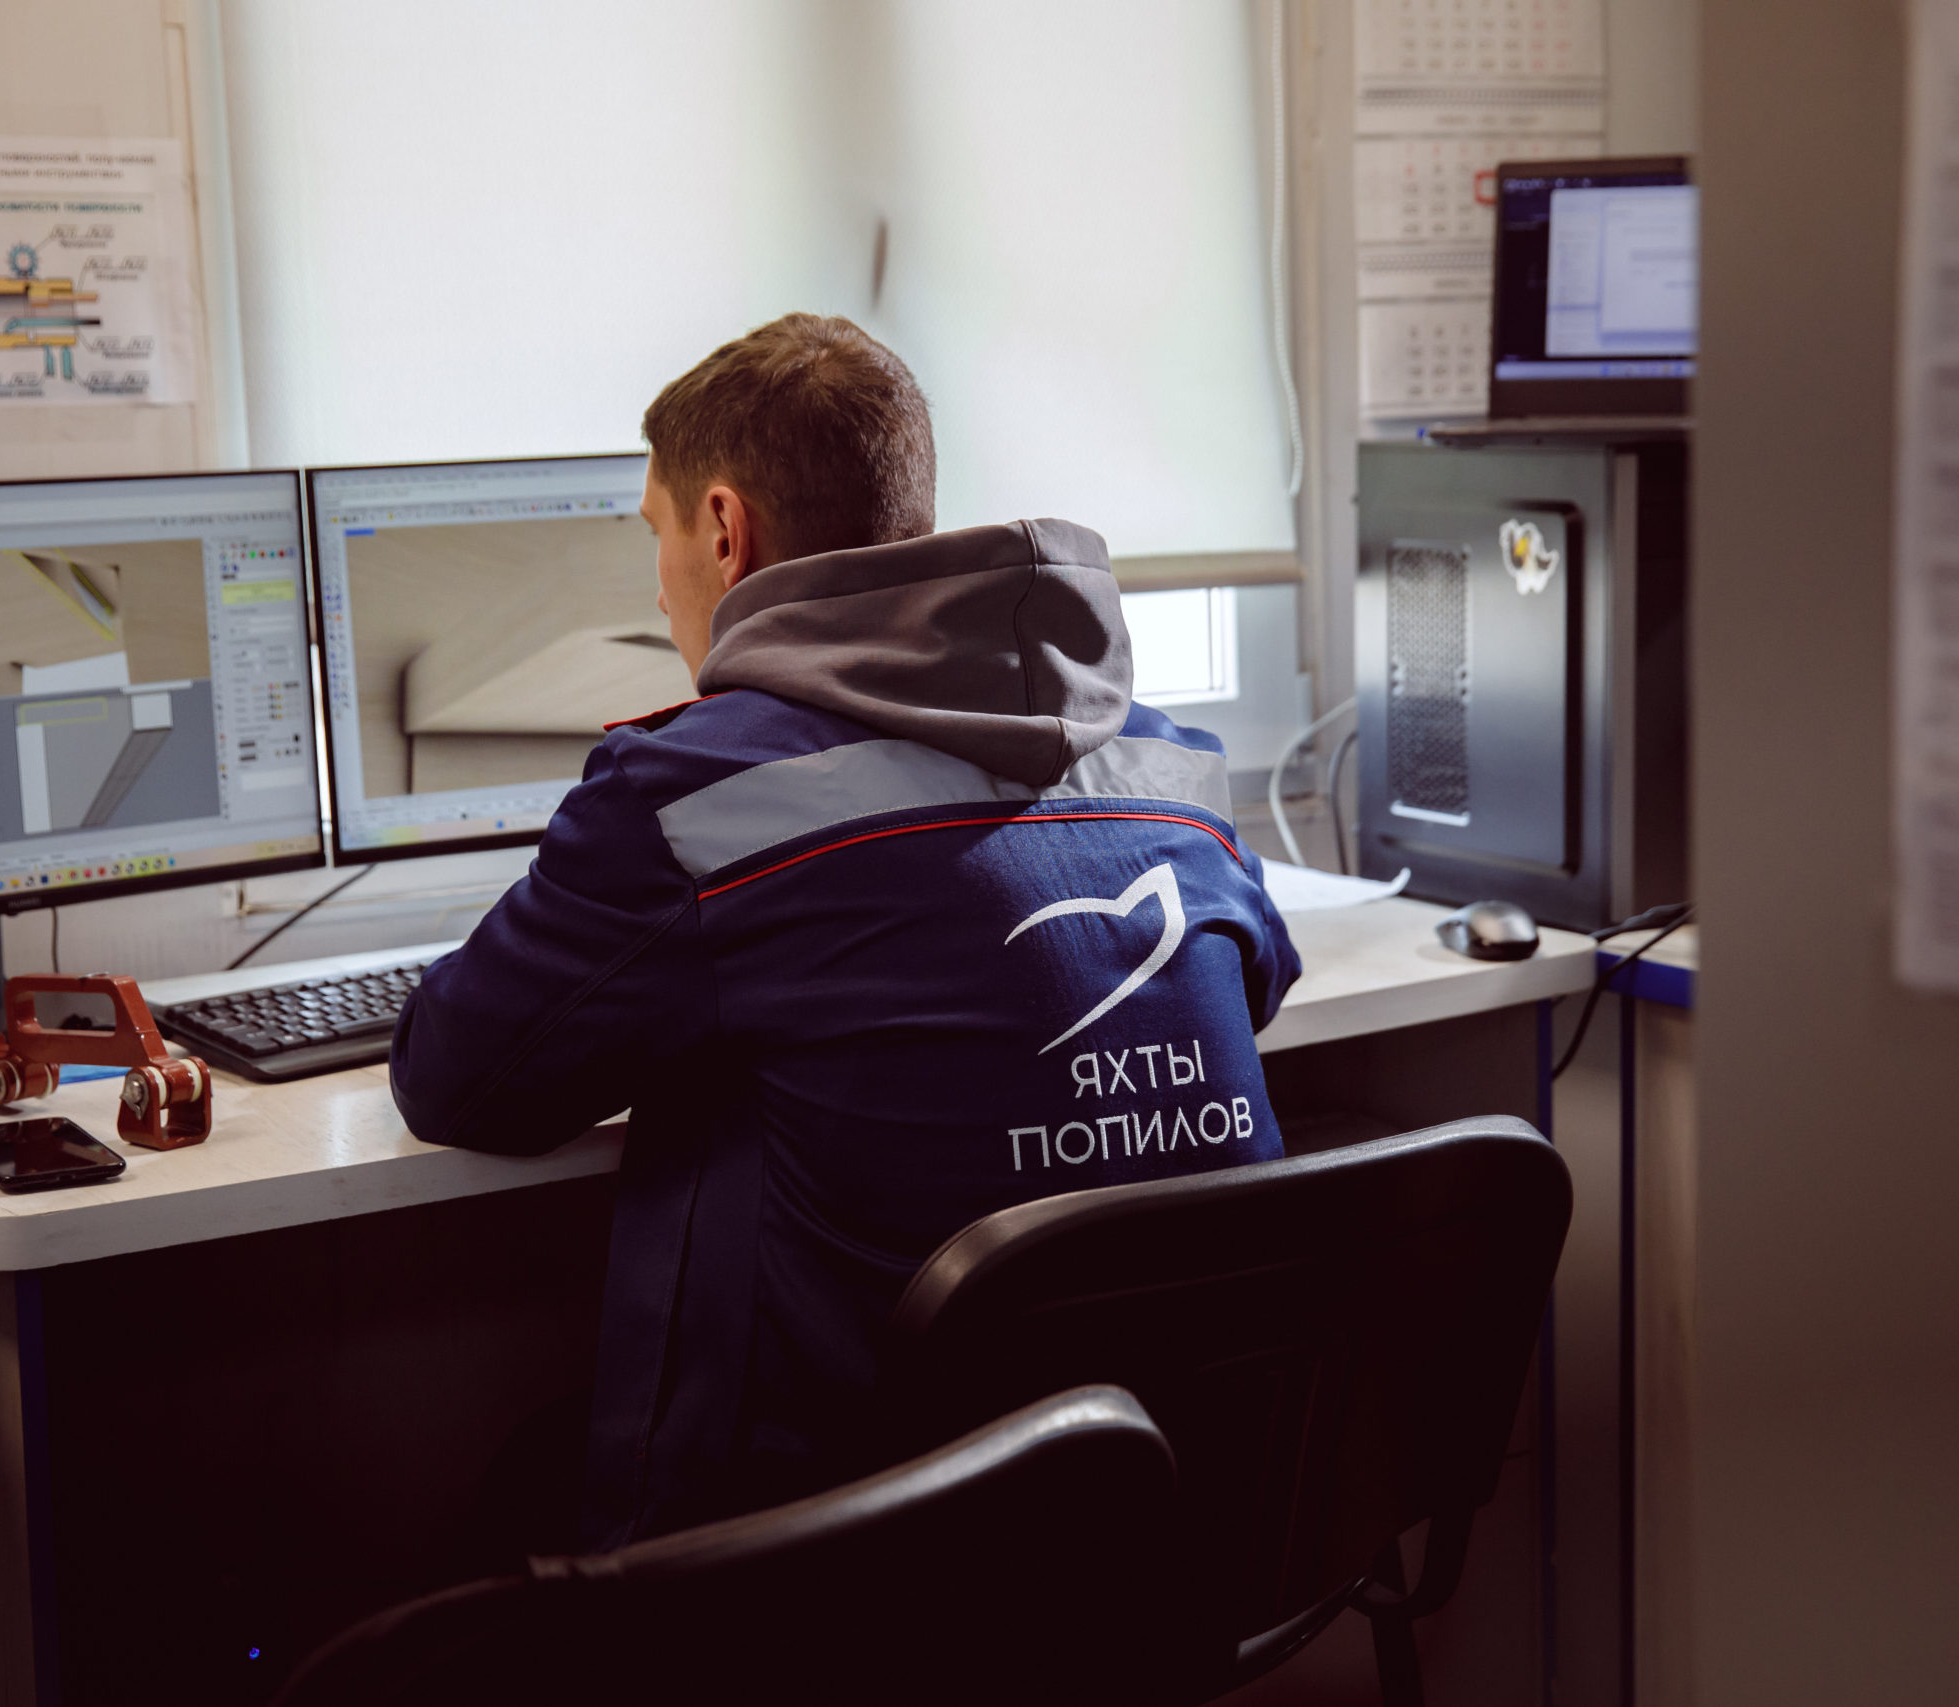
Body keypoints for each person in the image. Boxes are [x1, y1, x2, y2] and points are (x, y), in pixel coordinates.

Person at [389, 313, 1301, 1550]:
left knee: (497, 1501)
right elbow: (1253, 986)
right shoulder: (1167, 760)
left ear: (723, 530)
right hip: (1166, 1510)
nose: (657, 585)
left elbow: (456, 1079)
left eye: (656, 534)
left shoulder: (691, 791)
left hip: (848, 1553)